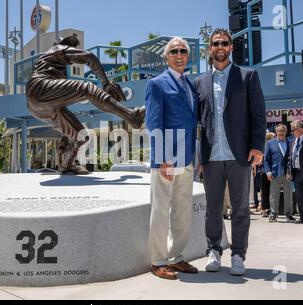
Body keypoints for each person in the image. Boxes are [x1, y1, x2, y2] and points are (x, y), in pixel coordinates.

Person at [194, 28, 266, 276]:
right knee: (212, 208)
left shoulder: (248, 76)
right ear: (210, 48)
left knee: (240, 208)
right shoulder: (199, 82)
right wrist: (199, 158)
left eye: (224, 43)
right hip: (211, 157)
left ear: (231, 47)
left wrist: (257, 146)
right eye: (216, 44)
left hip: (239, 155)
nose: (220, 47)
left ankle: (238, 255)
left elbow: (258, 114)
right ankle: (213, 250)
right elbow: (197, 123)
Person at [25, 34, 145, 174]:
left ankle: (66, 166)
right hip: (39, 88)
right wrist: (105, 83)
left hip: (35, 104)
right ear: (61, 44)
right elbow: (89, 57)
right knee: (87, 88)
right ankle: (132, 116)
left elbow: (58, 100)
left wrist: (65, 136)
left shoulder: (53, 67)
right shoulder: (57, 49)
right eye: (69, 45)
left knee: (81, 136)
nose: (72, 48)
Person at [146, 36, 198, 280]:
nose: (179, 55)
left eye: (183, 51)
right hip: (167, 160)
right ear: (166, 57)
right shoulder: (157, 84)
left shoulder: (191, 85)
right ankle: (158, 261)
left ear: (188, 56)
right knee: (161, 209)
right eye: (174, 51)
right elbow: (153, 123)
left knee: (182, 210)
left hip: (186, 159)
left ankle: (176, 257)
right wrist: (163, 158)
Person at [264, 124, 295, 223]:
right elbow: (266, 160)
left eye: (283, 131)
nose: (282, 133)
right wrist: (268, 172)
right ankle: (273, 213)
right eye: (280, 131)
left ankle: (289, 214)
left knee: (289, 195)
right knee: (273, 194)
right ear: (276, 132)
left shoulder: (291, 142)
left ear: (286, 132)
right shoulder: (270, 143)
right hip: (274, 173)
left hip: (288, 173)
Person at [287, 120, 303, 224]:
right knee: (300, 197)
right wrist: (289, 171)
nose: (292, 132)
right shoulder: (293, 141)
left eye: (293, 130)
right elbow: (290, 158)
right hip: (296, 173)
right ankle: (302, 217)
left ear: (300, 129)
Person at [260, 132, 276, 217]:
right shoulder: (271, 146)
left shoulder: (263, 147)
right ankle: (268, 209)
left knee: (264, 191)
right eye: (274, 136)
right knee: (271, 191)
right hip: (269, 170)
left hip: (263, 170)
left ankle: (264, 210)